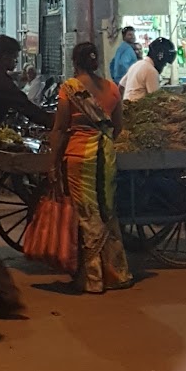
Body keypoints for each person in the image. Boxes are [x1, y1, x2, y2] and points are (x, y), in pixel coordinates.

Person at [0, 36, 55, 319]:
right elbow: (27, 108)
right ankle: (5, 292)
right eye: (13, 56)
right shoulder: (0, 83)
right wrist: (60, 122)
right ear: (4, 56)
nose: (16, 61)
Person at [47, 41, 131, 294]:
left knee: (87, 214)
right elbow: (118, 128)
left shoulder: (70, 88)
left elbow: (60, 129)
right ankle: (117, 273)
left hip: (79, 157)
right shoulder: (113, 89)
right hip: (106, 155)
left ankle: (93, 278)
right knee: (107, 210)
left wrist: (52, 163)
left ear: (75, 62)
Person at [123, 37, 176, 101]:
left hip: (128, 107)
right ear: (160, 57)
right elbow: (156, 100)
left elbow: (121, 86)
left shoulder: (137, 65)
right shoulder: (151, 71)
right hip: (139, 109)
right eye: (164, 62)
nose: (164, 65)